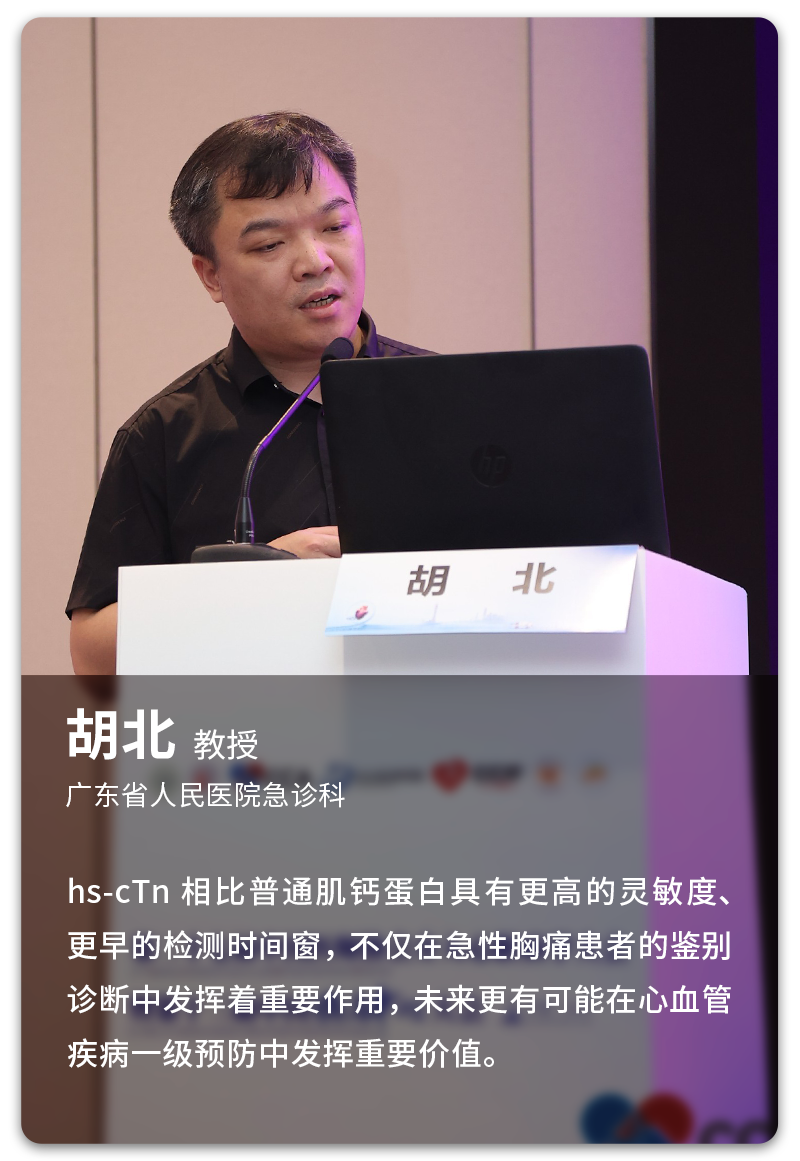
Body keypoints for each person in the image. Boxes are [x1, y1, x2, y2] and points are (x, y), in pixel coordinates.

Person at [67, 112, 433, 675]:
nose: (315, 261)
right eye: (269, 244)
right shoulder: (164, 435)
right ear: (211, 276)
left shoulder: (456, 400)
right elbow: (93, 655)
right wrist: (254, 581)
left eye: (335, 226)